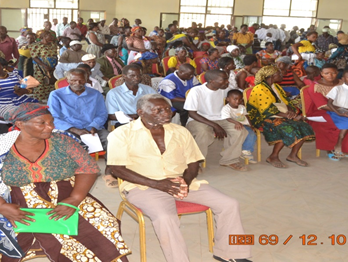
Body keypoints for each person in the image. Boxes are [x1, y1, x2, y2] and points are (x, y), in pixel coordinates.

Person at [0, 103, 130, 262]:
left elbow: (88, 168)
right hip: (12, 201)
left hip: (65, 195)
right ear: (20, 124)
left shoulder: (63, 141)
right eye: (41, 123)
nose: (50, 127)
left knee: (103, 225)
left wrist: (75, 199)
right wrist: (0, 206)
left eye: (51, 122)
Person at [107, 94, 252, 262]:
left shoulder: (180, 131)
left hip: (180, 181)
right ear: (141, 112)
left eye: (168, 109)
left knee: (229, 204)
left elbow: (193, 162)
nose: (167, 114)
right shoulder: (122, 134)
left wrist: (185, 182)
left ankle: (231, 253)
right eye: (158, 110)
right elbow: (117, 169)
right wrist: (158, 184)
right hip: (142, 186)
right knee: (166, 217)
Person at [246, 66, 315, 168]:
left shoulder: (276, 86)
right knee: (285, 128)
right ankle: (273, 156)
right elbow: (265, 109)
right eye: (279, 74)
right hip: (263, 117)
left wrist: (291, 112)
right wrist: (286, 115)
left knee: (304, 126)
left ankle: (293, 155)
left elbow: (285, 101)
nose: (282, 75)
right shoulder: (259, 88)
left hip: (280, 114)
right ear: (272, 76)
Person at [185, 70, 249, 172]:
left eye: (227, 79)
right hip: (198, 119)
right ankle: (195, 162)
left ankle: (230, 160)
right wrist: (215, 125)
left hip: (220, 118)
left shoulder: (223, 89)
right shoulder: (196, 91)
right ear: (212, 81)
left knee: (240, 130)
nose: (227, 82)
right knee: (203, 133)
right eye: (223, 80)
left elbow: (237, 97)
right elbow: (192, 113)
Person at [302, 63, 348, 159]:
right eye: (326, 73)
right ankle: (332, 149)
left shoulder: (343, 83)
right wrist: (346, 112)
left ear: (337, 73)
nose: (330, 75)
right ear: (321, 73)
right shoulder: (316, 86)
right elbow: (323, 106)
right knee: (343, 121)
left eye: (333, 73)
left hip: (343, 110)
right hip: (321, 112)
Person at [48, 69, 109, 162]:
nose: (77, 83)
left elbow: (102, 114)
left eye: (81, 80)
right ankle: (81, 172)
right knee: (70, 146)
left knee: (112, 140)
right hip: (68, 130)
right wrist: (74, 130)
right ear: (67, 80)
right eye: (73, 80)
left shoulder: (96, 94)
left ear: (86, 79)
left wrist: (94, 126)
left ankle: (112, 169)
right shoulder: (56, 95)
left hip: (92, 129)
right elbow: (53, 117)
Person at [221, 89, 257, 163]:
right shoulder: (226, 108)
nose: (238, 101)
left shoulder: (242, 107)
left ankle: (246, 151)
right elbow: (227, 118)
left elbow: (247, 116)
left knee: (252, 134)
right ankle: (237, 151)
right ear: (228, 99)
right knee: (239, 134)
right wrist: (236, 123)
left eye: (240, 99)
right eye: (235, 99)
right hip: (233, 125)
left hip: (244, 125)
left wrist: (251, 125)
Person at [29, 30, 58, 102]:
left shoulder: (53, 45)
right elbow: (34, 57)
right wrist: (44, 65)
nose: (52, 37)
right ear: (44, 36)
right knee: (40, 81)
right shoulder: (36, 45)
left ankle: (50, 98)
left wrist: (54, 66)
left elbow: (55, 55)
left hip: (52, 66)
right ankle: (39, 99)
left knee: (51, 81)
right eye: (50, 36)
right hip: (40, 67)